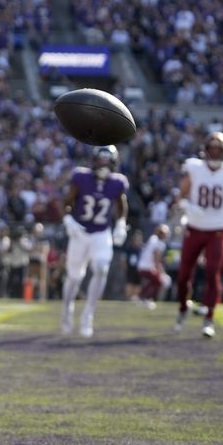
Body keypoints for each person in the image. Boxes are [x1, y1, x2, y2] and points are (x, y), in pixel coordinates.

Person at [174, 131, 223, 337]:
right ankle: (182, 308)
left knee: (213, 274)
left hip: (216, 230)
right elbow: (181, 196)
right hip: (194, 227)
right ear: (205, 150)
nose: (214, 152)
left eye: (218, 149)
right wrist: (187, 205)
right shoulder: (194, 167)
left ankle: (209, 319)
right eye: (211, 148)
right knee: (183, 276)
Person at [60, 145, 129, 338]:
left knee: (101, 268)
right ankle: (67, 309)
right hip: (80, 233)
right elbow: (66, 202)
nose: (104, 164)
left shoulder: (117, 182)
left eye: (108, 161)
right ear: (94, 160)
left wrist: (121, 224)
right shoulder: (81, 177)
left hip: (101, 233)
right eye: (101, 159)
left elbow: (121, 204)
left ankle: (88, 315)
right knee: (74, 277)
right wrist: (68, 220)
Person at [137, 224, 170, 310]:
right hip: (146, 267)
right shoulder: (159, 243)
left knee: (154, 281)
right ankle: (146, 298)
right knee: (159, 281)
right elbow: (156, 259)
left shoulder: (153, 239)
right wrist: (162, 272)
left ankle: (141, 296)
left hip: (143, 265)